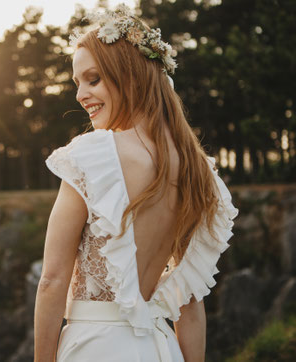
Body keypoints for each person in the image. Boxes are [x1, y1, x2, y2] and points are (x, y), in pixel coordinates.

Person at [33, 4, 238, 362]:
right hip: (161, 349)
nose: (80, 95)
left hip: (95, 347)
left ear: (129, 76)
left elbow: (52, 279)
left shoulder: (93, 156)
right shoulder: (196, 169)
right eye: (77, 83)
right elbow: (190, 305)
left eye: (93, 79)